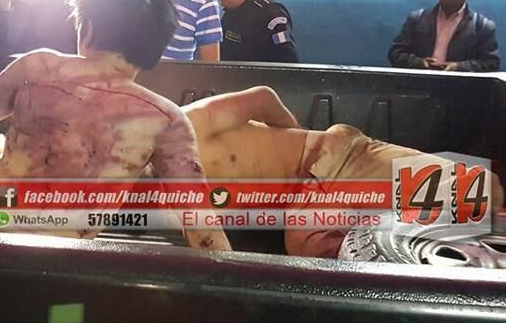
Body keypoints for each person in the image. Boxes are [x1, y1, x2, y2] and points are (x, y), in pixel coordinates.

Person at [0, 0, 230, 251]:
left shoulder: (36, 66)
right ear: (156, 50)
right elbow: (204, 231)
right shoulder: (167, 119)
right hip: (65, 254)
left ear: (88, 29)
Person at [181, 86, 503, 258]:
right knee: (309, 253)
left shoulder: (187, 123)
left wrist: (300, 142)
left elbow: (262, 99)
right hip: (304, 209)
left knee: (482, 192)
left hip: (334, 159)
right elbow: (208, 241)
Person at [389, 0, 500, 72]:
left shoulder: (482, 26)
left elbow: (491, 63)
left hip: (460, 83)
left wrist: (459, 67)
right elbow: (396, 53)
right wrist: (418, 63)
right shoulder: (417, 19)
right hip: (420, 81)